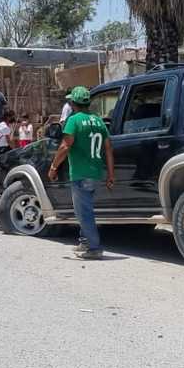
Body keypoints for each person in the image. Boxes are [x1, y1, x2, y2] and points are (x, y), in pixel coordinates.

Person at [47, 87, 113, 260]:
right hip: (95, 173)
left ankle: (94, 247)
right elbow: (108, 149)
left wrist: (53, 167)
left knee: (83, 212)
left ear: (73, 103)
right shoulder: (99, 121)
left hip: (80, 174)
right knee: (86, 208)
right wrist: (110, 175)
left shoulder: (73, 120)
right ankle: (84, 241)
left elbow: (65, 146)